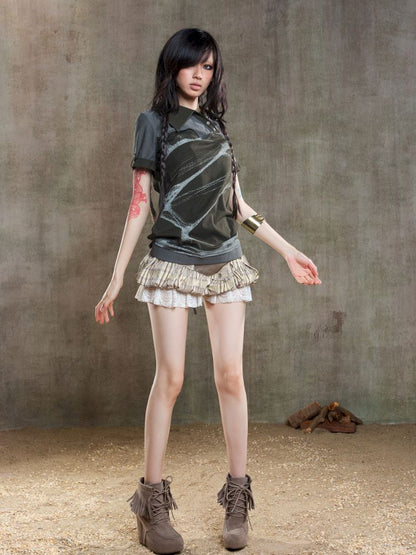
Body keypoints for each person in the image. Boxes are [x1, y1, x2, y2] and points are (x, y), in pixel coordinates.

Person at [95, 27, 321, 555]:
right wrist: (116, 276)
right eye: (192, 64)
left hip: (225, 261)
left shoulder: (218, 128)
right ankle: (151, 506)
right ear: (172, 65)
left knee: (230, 376)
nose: (200, 75)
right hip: (172, 261)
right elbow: (138, 204)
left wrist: (288, 251)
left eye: (209, 67)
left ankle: (237, 500)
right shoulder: (153, 124)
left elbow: (238, 206)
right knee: (170, 379)